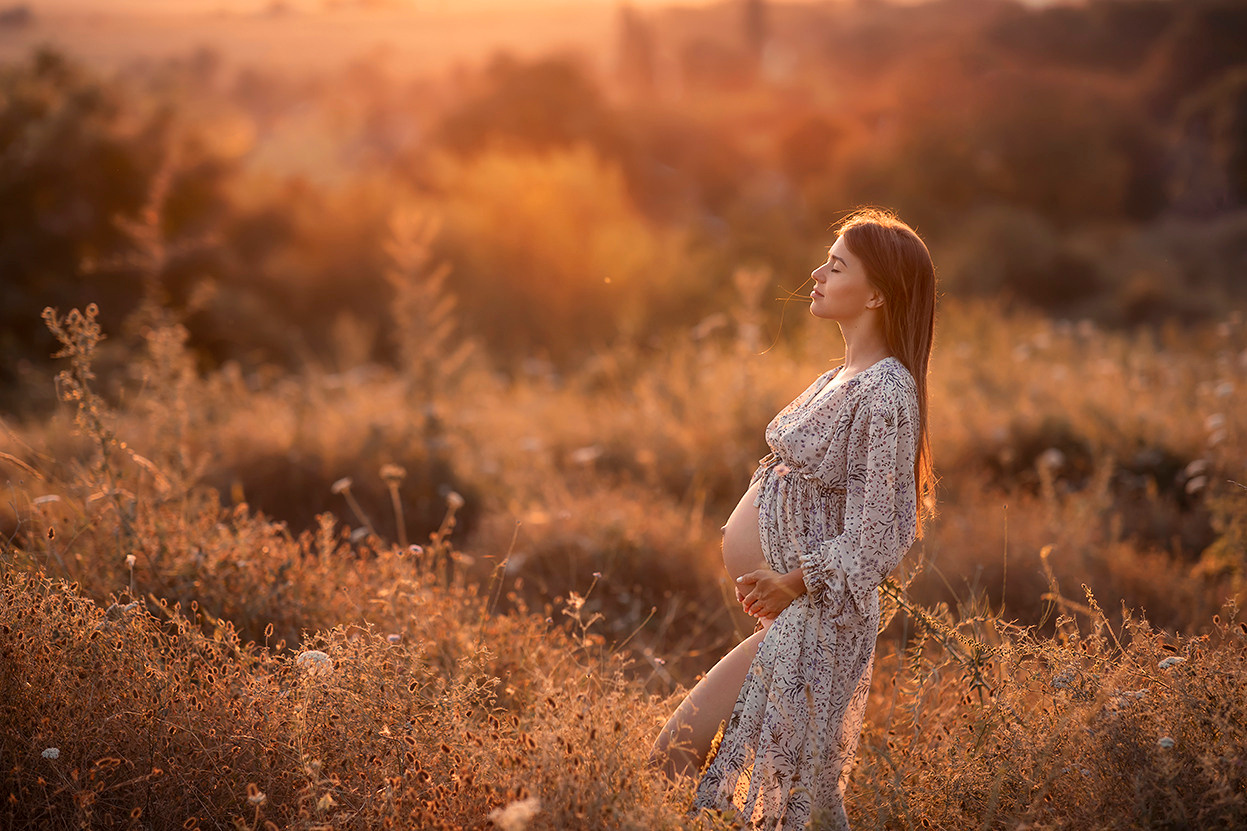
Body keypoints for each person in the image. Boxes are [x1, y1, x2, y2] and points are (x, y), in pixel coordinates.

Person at [649, 208, 936, 829]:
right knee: (792, 798)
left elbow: (885, 528)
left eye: (836, 266)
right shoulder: (839, 377)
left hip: (820, 616)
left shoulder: (887, 390)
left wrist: (795, 580)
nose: (817, 272)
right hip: (801, 612)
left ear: (878, 293)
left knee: (690, 759)